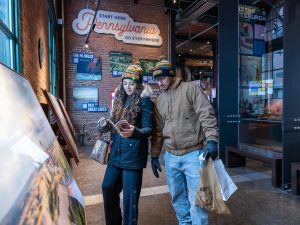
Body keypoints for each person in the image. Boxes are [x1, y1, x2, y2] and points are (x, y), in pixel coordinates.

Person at [150, 56, 219, 225]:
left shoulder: (190, 89)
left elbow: (206, 114)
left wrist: (212, 140)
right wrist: (154, 154)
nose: (160, 83)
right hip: (171, 157)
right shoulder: (159, 100)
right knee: (177, 197)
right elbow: (158, 131)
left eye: (163, 78)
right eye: (157, 80)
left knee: (198, 199)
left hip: (193, 154)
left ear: (172, 75)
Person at [98, 62, 153, 225]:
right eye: (125, 83)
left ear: (138, 84)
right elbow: (116, 125)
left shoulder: (145, 100)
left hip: (134, 156)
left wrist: (135, 132)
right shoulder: (119, 99)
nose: (128, 87)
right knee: (107, 187)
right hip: (116, 153)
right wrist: (107, 126)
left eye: (132, 83)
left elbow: (149, 129)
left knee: (130, 200)